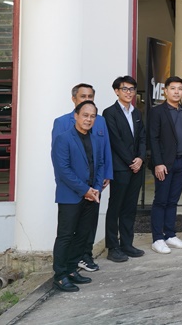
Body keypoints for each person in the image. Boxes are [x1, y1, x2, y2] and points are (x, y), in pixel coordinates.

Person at [51, 83, 112, 273]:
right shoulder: (63, 130)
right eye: (85, 115)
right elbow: (62, 166)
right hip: (72, 192)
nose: (89, 119)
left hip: (92, 192)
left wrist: (96, 188)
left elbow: (100, 160)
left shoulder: (95, 133)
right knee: (66, 235)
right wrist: (83, 189)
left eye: (92, 116)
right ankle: (61, 276)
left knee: (83, 234)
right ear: (76, 114)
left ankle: (73, 269)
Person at [103, 75, 147, 262]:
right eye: (125, 89)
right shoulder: (109, 113)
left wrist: (141, 158)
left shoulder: (137, 113)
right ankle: (113, 247)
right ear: (116, 91)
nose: (129, 92)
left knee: (130, 208)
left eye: (132, 89)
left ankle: (127, 244)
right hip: (121, 168)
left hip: (137, 167)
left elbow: (142, 138)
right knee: (116, 207)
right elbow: (116, 141)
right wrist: (131, 161)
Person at [147, 76, 182, 254]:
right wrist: (158, 163)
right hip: (164, 164)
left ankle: (170, 235)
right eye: (172, 88)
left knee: (173, 201)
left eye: (179, 88)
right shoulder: (157, 112)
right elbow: (153, 138)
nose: (176, 92)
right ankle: (157, 238)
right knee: (161, 201)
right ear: (165, 91)